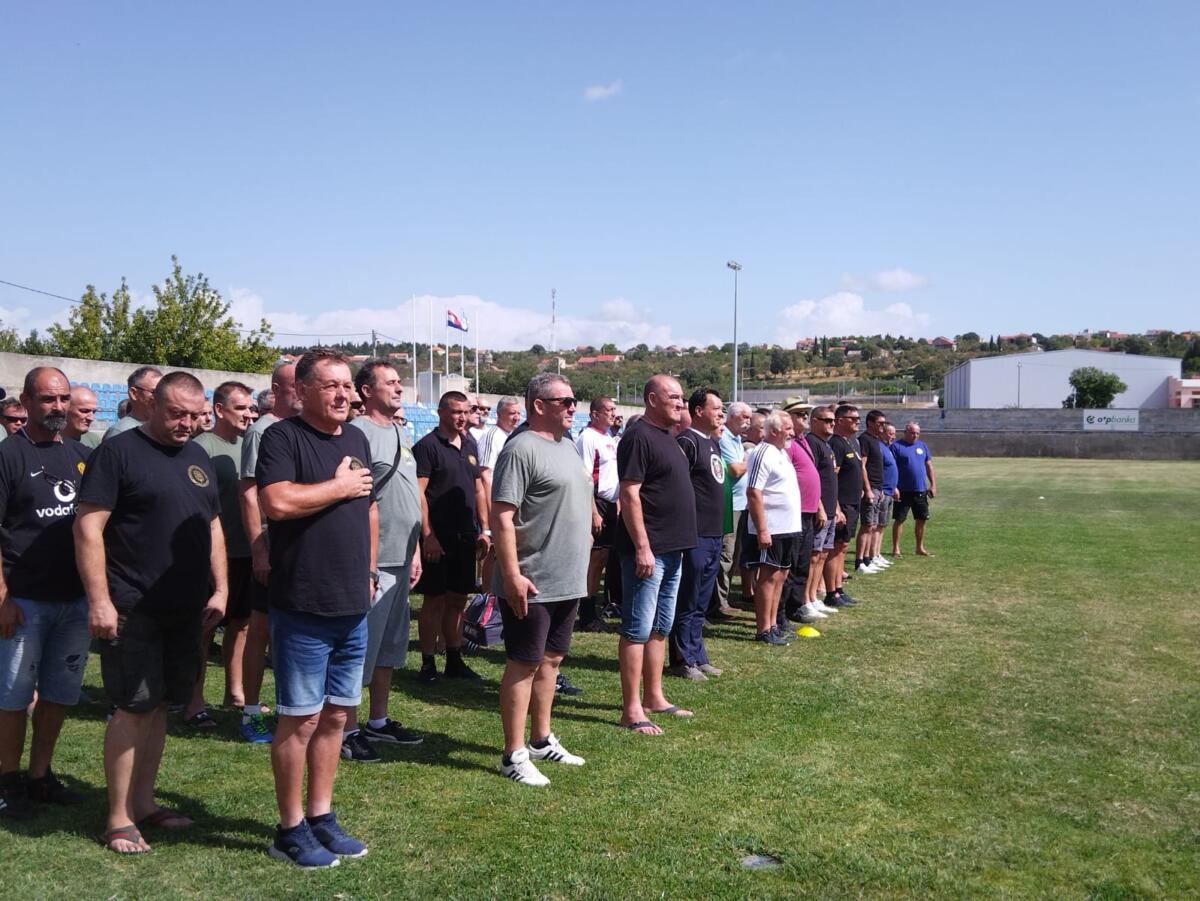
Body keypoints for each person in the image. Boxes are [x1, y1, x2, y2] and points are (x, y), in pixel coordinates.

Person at [75, 371, 226, 854]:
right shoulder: (118, 453)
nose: (187, 424)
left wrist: (222, 588)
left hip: (184, 608)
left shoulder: (197, 456)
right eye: (177, 414)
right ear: (152, 405)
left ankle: (143, 803)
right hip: (132, 605)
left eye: (194, 415)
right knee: (133, 707)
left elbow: (212, 525)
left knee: (159, 704)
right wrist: (100, 600)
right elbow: (88, 529)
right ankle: (117, 818)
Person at [255, 348, 376, 868]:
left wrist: (370, 570)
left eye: (347, 385)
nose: (343, 394)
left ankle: (321, 816)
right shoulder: (281, 437)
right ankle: (289, 828)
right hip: (303, 602)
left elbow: (367, 508)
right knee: (300, 719)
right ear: (302, 391)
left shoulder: (356, 438)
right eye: (331, 385)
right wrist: (339, 487)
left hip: (352, 602)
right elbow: (277, 502)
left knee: (337, 716)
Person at [492, 373, 591, 785]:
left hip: (567, 576)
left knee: (551, 660)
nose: (573, 407)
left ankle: (540, 738)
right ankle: (513, 754)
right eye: (564, 401)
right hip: (532, 577)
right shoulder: (520, 449)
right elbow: (502, 516)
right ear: (538, 405)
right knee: (524, 663)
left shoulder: (567, 445)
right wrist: (512, 574)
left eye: (574, 400)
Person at [0, 367, 90, 820]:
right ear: (27, 400)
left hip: (75, 601)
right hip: (24, 601)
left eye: (62, 398)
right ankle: (7, 781)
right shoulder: (8, 455)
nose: (57, 407)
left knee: (58, 694)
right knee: (12, 697)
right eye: (47, 399)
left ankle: (40, 776)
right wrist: (3, 597)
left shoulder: (82, 455)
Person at [340, 360, 424, 765]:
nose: (398, 388)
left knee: (390, 646)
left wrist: (416, 550)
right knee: (362, 647)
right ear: (366, 390)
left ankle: (378, 719)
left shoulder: (398, 431)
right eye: (389, 382)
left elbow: (408, 495)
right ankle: (346, 729)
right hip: (375, 557)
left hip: (402, 555)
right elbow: (354, 499)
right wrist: (366, 562)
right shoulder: (356, 433)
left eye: (398, 382)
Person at [615, 375, 696, 735]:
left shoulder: (668, 437)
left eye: (682, 397)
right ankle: (631, 709)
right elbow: (630, 493)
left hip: (673, 549)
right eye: (673, 396)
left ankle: (654, 696)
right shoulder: (638, 437)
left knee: (661, 626)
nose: (681, 402)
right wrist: (642, 546)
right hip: (649, 551)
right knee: (637, 628)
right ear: (651, 399)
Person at [237, 362, 302, 743]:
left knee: (289, 631)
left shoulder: (300, 429)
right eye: (296, 384)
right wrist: (259, 549)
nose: (302, 390)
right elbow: (248, 493)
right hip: (271, 544)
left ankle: (286, 706)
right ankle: (250, 710)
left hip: (296, 548)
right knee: (260, 629)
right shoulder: (262, 430)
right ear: (277, 388)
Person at [189, 381, 256, 725]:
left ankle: (235, 693)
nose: (248, 414)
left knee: (241, 624)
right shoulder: (201, 447)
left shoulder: (249, 445)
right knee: (205, 628)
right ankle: (194, 700)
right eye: (240, 408)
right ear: (219, 410)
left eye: (250, 408)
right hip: (213, 554)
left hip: (246, 551)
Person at [413, 392, 491, 683]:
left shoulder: (470, 444)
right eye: (457, 412)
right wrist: (428, 535)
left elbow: (478, 488)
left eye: (466, 412)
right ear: (441, 412)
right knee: (434, 600)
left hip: (466, 534)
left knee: (458, 599)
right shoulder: (427, 447)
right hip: (439, 535)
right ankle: (427, 663)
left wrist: (485, 529)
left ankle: (454, 660)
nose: (462, 417)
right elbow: (419, 493)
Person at [668, 388, 726, 680]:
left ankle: (698, 654)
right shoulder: (687, 441)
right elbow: (677, 488)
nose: (721, 414)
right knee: (687, 597)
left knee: (702, 599)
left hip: (714, 533)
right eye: (716, 408)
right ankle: (682, 659)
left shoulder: (712, 443)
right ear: (698, 410)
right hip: (695, 534)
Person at [742, 412, 807, 644]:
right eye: (788, 428)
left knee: (781, 575)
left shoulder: (782, 453)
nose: (792, 433)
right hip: (772, 527)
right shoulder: (762, 452)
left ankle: (773, 625)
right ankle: (763, 629)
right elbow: (753, 491)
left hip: (788, 527)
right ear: (774, 430)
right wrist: (762, 530)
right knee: (768, 577)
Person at [780, 399, 831, 626]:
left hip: (808, 510)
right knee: (790, 564)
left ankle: (795, 606)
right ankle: (782, 612)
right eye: (799, 414)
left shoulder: (802, 441)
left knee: (802, 563)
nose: (804, 418)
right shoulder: (787, 444)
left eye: (805, 414)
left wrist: (819, 506)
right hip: (795, 511)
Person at [574, 396, 619, 631]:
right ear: (595, 414)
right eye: (608, 410)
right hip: (597, 503)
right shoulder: (588, 438)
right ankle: (586, 611)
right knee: (593, 558)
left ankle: (591, 608)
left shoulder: (609, 438)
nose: (613, 413)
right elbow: (585, 477)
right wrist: (593, 511)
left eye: (614, 409)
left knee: (602, 558)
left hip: (610, 504)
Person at [710, 400, 750, 619]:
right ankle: (718, 603)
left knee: (734, 554)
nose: (748, 421)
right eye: (744, 417)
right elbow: (735, 470)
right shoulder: (724, 438)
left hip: (741, 504)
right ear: (732, 417)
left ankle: (723, 598)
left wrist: (744, 461)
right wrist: (749, 460)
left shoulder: (737, 439)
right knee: (726, 553)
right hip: (730, 505)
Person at [477, 396, 522, 596]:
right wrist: (490, 511)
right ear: (499, 414)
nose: (516, 417)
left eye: (518, 413)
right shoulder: (492, 436)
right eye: (512, 413)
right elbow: (485, 475)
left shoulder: (513, 436)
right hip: (496, 502)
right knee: (493, 552)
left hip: (509, 502)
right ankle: (488, 596)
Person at [803, 406, 844, 615]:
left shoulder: (827, 445)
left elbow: (831, 480)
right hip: (819, 510)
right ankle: (805, 599)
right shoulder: (812, 443)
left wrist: (835, 507)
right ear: (814, 421)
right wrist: (819, 506)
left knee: (823, 554)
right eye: (827, 420)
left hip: (830, 509)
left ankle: (813, 596)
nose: (832, 424)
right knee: (813, 555)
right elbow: (812, 479)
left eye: (833, 421)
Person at [825, 404, 866, 609]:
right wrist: (837, 508)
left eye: (858, 418)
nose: (858, 421)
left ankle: (839, 588)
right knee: (835, 548)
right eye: (853, 418)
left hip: (853, 503)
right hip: (843, 504)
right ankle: (831, 592)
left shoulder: (850, 442)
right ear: (840, 420)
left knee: (842, 546)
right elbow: (833, 478)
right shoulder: (836, 443)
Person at [891, 421, 937, 557]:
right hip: (902, 491)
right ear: (905, 432)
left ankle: (919, 548)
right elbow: (891, 468)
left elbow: (929, 466)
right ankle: (896, 548)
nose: (915, 435)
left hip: (920, 490)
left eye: (917, 433)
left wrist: (933, 484)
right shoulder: (896, 447)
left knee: (921, 519)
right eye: (912, 433)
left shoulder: (922, 446)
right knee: (899, 519)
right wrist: (894, 487)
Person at [854, 410, 890, 575]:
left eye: (884, 423)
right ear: (870, 423)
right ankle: (860, 561)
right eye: (879, 423)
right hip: (870, 488)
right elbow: (862, 466)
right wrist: (867, 489)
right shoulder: (865, 440)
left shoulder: (876, 440)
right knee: (867, 525)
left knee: (873, 525)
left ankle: (868, 559)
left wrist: (879, 489)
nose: (883, 425)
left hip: (877, 488)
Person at [102, 365, 162, 442]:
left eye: (164, 392)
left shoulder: (166, 429)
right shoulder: (120, 432)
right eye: (155, 392)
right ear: (134, 393)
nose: (161, 397)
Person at [877, 420, 900, 562]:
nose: (893, 437)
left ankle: (877, 553)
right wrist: (880, 488)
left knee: (883, 525)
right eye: (890, 434)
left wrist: (894, 487)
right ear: (882, 433)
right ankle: (872, 555)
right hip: (883, 492)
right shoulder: (879, 447)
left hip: (890, 491)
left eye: (894, 434)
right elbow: (876, 470)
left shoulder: (888, 448)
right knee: (877, 525)